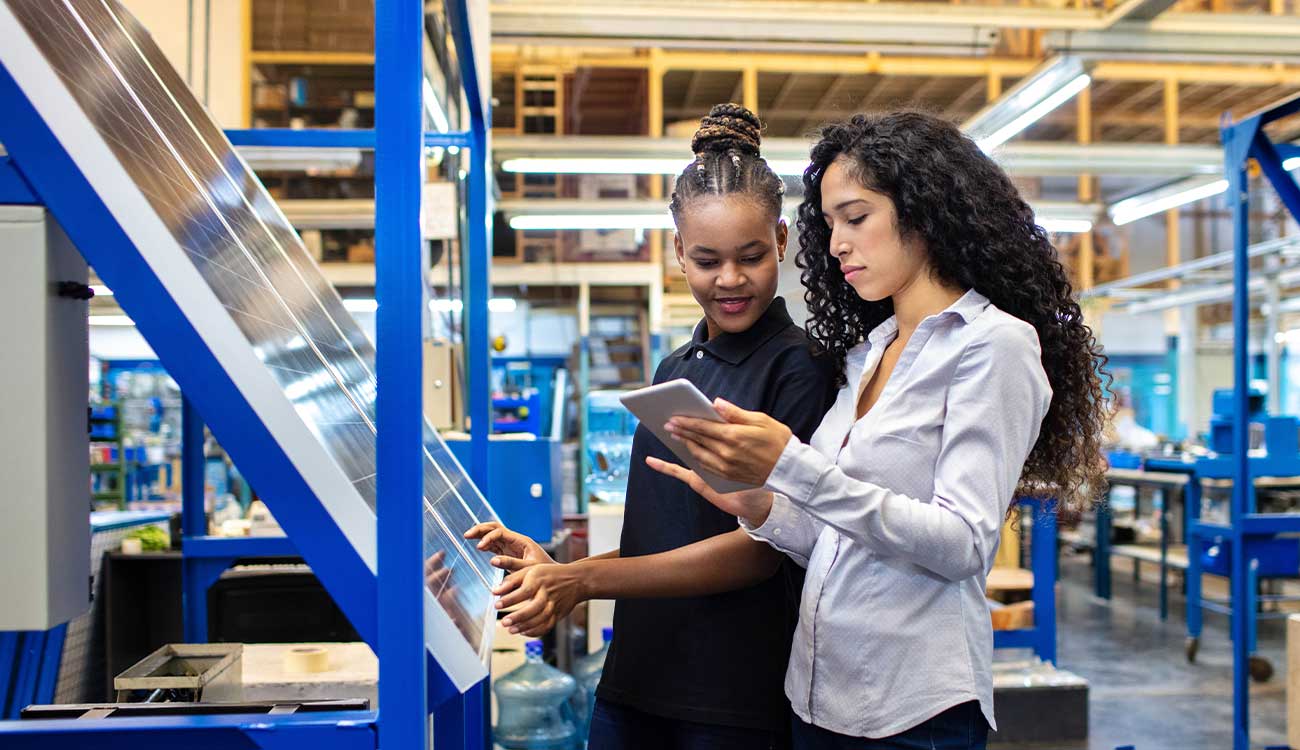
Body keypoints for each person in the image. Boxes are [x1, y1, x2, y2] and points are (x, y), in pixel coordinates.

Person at [649, 111, 1109, 750]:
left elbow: (962, 544)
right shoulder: (870, 353)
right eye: (830, 223)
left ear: (922, 211)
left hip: (914, 711)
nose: (836, 243)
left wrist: (793, 465)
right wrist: (762, 505)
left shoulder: (992, 346)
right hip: (817, 696)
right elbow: (837, 540)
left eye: (856, 218)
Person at [463, 103, 838, 750]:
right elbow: (661, 540)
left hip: (731, 700)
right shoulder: (677, 368)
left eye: (750, 256)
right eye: (706, 259)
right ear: (677, 253)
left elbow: (761, 551)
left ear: (781, 239)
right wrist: (561, 567)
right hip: (635, 685)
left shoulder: (799, 369)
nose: (729, 279)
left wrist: (581, 582)